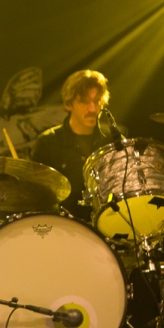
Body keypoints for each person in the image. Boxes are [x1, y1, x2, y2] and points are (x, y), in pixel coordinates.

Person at [31, 70, 111, 221]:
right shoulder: (48, 143)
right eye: (85, 101)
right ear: (69, 104)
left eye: (97, 101)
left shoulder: (112, 141)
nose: (93, 109)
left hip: (106, 229)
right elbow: (38, 197)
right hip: (63, 230)